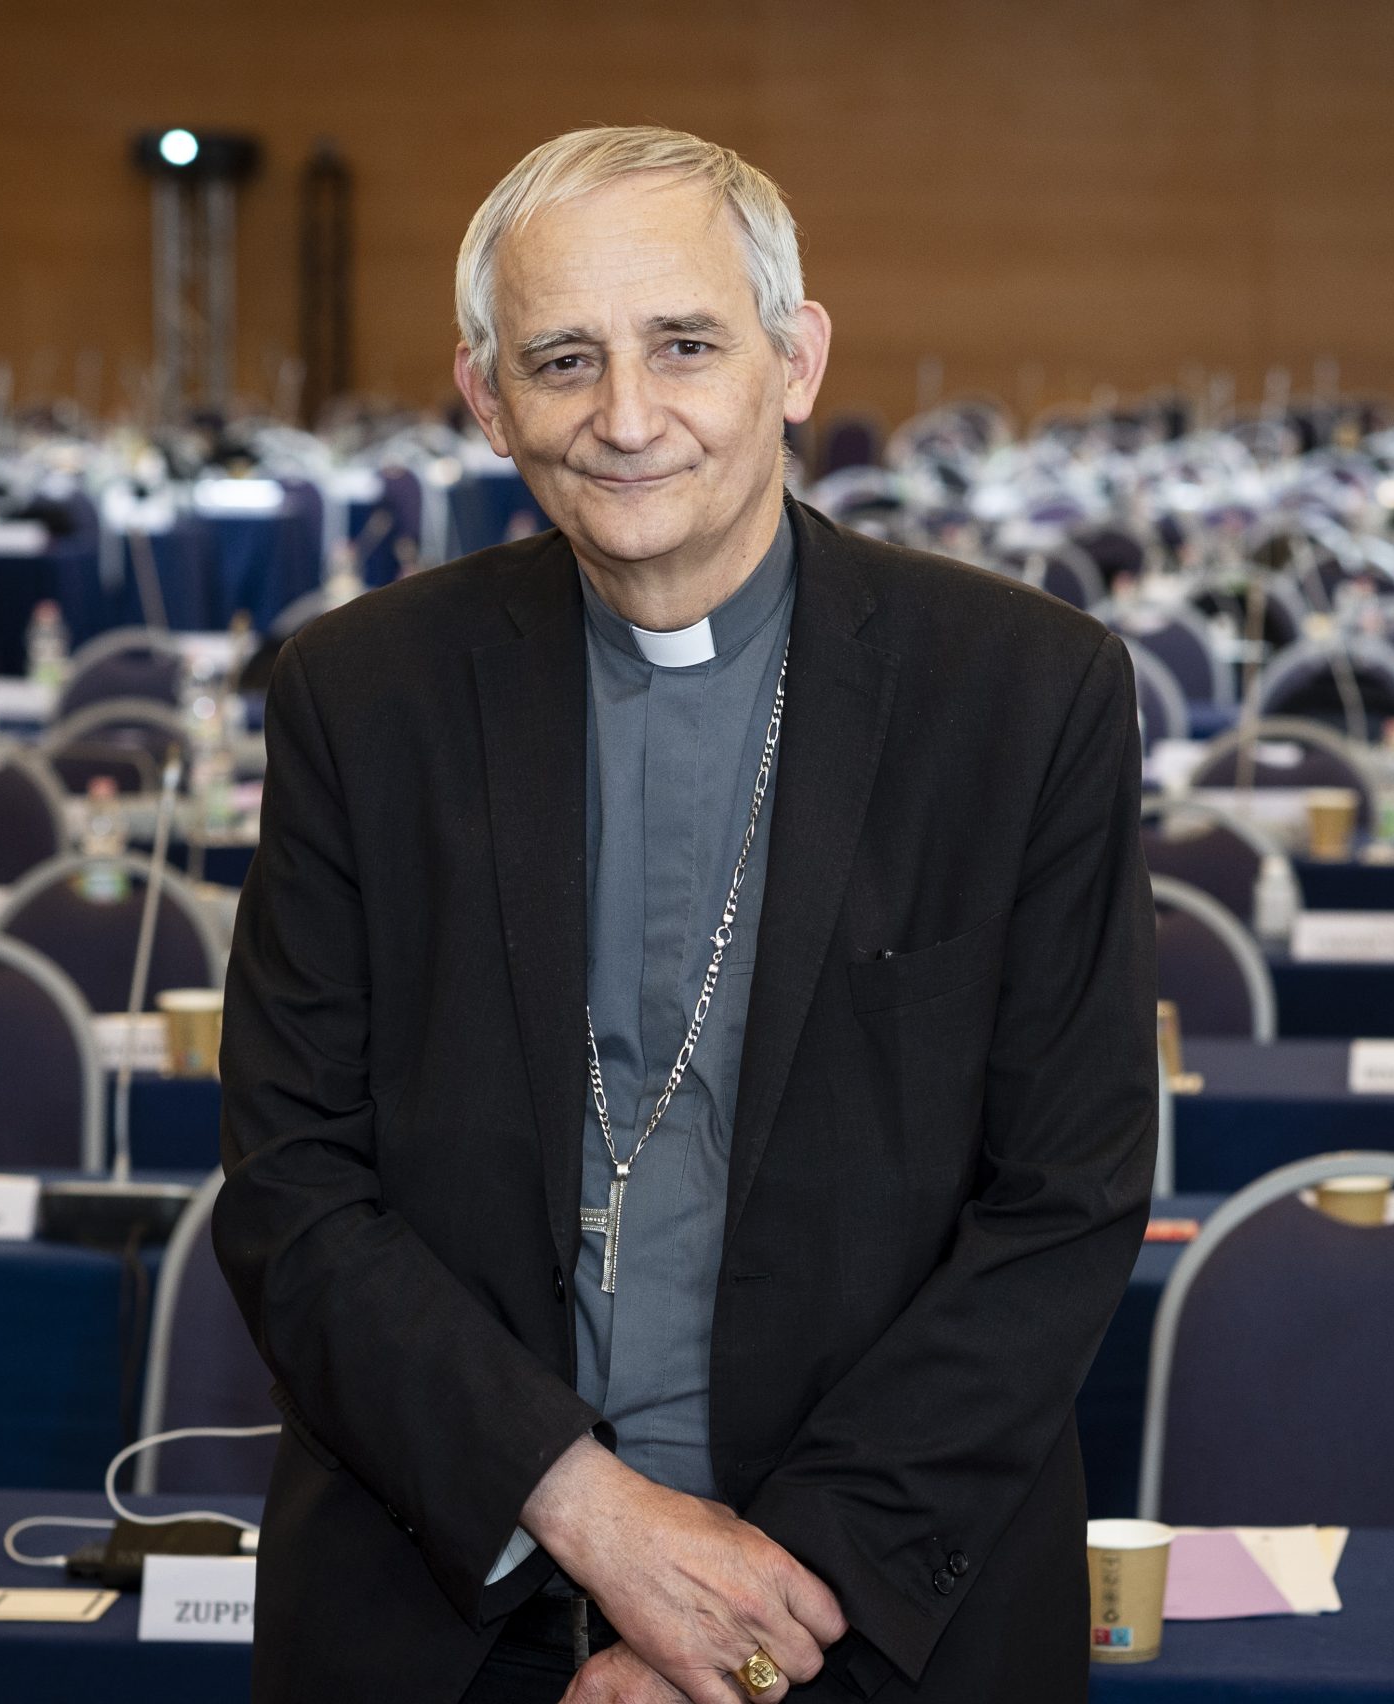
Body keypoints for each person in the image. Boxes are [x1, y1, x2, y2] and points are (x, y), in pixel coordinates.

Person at [215, 125, 1159, 1704]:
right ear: (485, 397)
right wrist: (594, 1520)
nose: (627, 418)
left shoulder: (1024, 694)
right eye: (564, 360)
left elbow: (1063, 1204)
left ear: (795, 363)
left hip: (868, 1622)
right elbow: (293, 1190)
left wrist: (750, 1619)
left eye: (686, 346)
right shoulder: (359, 697)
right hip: (451, 1597)